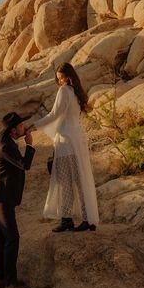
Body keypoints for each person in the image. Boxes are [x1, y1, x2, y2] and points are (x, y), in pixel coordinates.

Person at [29, 62, 99, 232]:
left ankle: (69, 219)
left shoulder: (64, 91)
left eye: (62, 77)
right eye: (58, 78)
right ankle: (86, 218)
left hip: (66, 142)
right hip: (77, 140)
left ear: (68, 77)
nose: (60, 81)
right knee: (79, 179)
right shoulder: (76, 93)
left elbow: (54, 115)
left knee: (65, 181)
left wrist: (33, 126)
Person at [0, 111, 35, 288]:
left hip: (0, 196)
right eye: (21, 126)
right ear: (14, 130)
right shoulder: (6, 146)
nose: (24, 128)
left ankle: (1, 277)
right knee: (12, 238)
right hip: (3, 196)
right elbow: (24, 164)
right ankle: (10, 283)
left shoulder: (6, 141)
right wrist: (30, 145)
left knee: (0, 237)